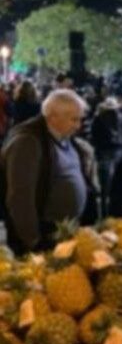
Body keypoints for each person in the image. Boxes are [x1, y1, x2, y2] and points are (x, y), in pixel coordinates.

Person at [0, 90, 96, 254]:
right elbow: (20, 197)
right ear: (53, 117)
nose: (78, 125)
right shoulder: (28, 142)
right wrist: (34, 241)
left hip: (64, 235)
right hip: (43, 240)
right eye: (74, 119)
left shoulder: (63, 137)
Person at [90, 98, 122, 217]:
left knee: (105, 187)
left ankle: (105, 214)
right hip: (118, 151)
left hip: (103, 151)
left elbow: (93, 136)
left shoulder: (98, 117)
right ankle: (117, 213)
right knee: (119, 184)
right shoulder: (119, 117)